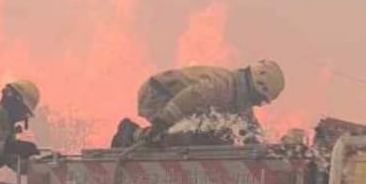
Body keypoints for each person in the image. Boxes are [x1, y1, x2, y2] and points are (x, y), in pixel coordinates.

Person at [111, 60, 285, 148]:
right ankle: (131, 133)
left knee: (213, 137)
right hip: (158, 93)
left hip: (173, 98)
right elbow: (189, 97)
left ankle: (152, 138)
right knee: (186, 139)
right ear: (256, 87)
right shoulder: (223, 85)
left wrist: (265, 149)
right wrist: (163, 122)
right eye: (260, 99)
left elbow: (249, 130)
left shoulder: (239, 98)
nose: (259, 104)